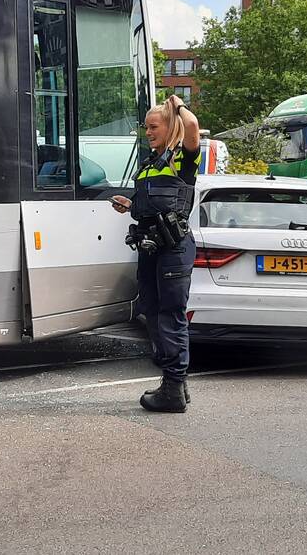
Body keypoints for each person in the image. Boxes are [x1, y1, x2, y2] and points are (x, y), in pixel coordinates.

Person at [111, 95, 200, 413]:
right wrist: (131, 206)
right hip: (151, 246)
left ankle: (173, 389)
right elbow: (152, 205)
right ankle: (175, 382)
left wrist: (178, 104)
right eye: (145, 127)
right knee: (150, 311)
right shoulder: (151, 163)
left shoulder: (183, 157)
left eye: (153, 126)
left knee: (170, 315)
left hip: (173, 248)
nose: (147, 132)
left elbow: (192, 125)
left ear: (169, 126)